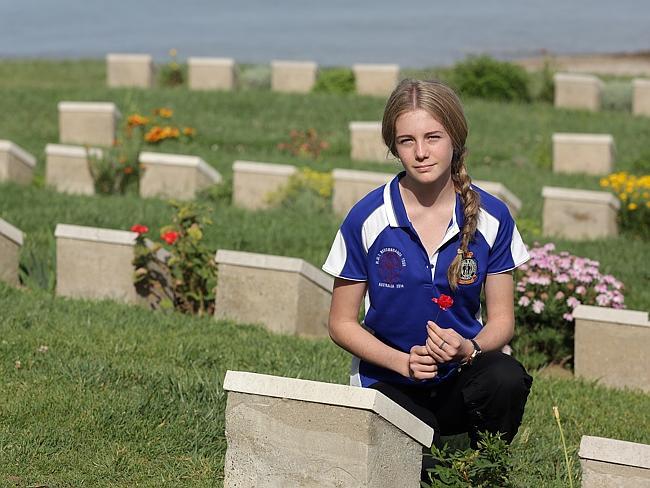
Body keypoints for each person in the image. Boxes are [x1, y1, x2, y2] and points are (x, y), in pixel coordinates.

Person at [322, 79, 533, 479]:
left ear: (455, 137)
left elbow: (503, 322)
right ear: (393, 147)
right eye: (406, 141)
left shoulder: (493, 217)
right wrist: (402, 363)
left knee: (504, 377)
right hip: (388, 379)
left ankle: (489, 468)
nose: (421, 152)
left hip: (460, 378)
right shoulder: (367, 218)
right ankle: (434, 459)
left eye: (433, 137)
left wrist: (468, 348)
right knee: (420, 472)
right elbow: (340, 322)